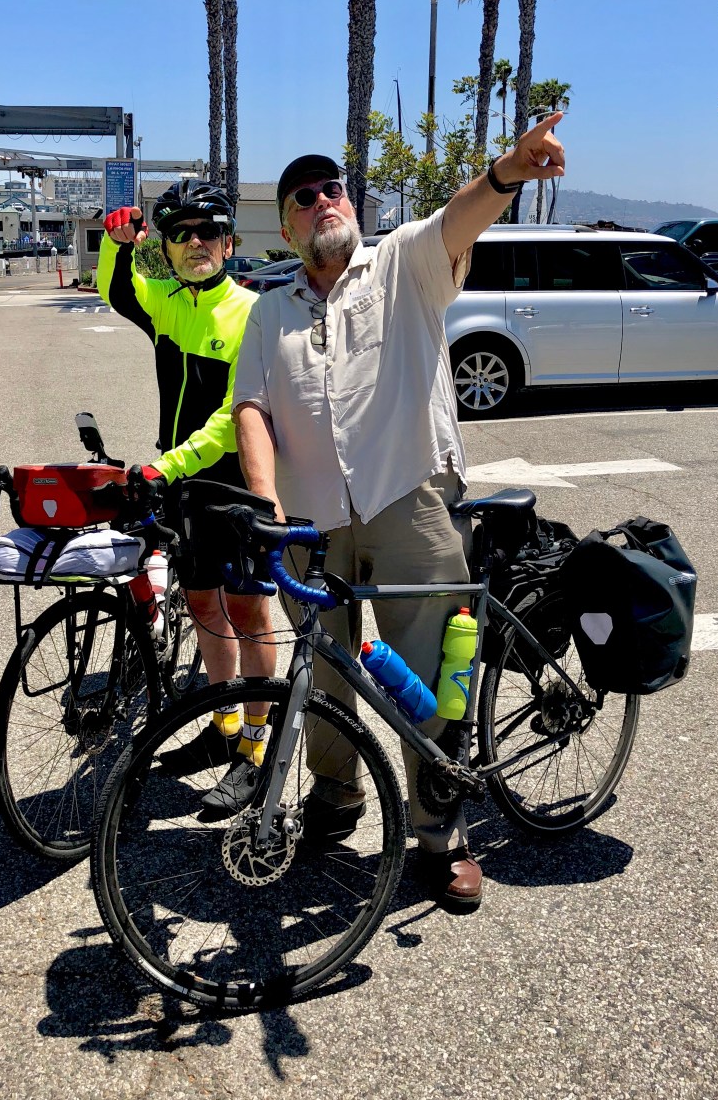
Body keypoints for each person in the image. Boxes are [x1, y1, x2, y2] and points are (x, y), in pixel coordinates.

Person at [233, 116, 565, 908]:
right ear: (286, 227)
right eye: (303, 197)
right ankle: (336, 793)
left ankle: (439, 833)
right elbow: (251, 408)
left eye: (332, 188)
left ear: (351, 203)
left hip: (407, 495)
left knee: (428, 673)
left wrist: (507, 172)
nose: (322, 200)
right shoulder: (269, 311)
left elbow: (460, 217)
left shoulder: (403, 263)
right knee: (321, 672)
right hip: (308, 520)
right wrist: (266, 503)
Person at [97, 180, 276, 812]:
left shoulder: (252, 311)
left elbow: (233, 418)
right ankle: (223, 726)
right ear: (168, 248)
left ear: (228, 242)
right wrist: (118, 243)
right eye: (180, 234)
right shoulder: (168, 303)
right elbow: (117, 290)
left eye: (207, 232)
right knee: (201, 601)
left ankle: (256, 746)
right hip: (181, 486)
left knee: (248, 611)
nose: (195, 242)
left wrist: (167, 466)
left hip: (235, 483)